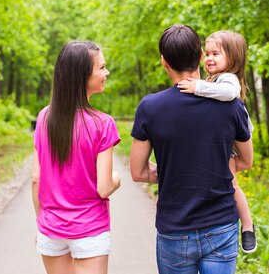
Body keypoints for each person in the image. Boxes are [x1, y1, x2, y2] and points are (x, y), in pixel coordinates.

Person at [130, 25, 253, 274]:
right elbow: (246, 161)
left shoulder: (150, 107)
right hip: (221, 224)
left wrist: (177, 172)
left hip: (175, 228)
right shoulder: (231, 105)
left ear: (164, 62)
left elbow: (139, 173)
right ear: (200, 55)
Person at [32, 41, 121, 274]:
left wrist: (42, 224)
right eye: (101, 68)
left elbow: (36, 177)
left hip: (50, 228)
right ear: (83, 75)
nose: (107, 72)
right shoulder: (103, 124)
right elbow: (104, 187)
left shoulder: (44, 117)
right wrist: (117, 178)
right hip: (89, 229)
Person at [176, 30, 257, 253]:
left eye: (216, 54)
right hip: (221, 142)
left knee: (232, 185)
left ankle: (248, 226)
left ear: (233, 58)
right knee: (228, 184)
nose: (209, 58)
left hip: (231, 144)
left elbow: (230, 93)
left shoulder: (228, 79)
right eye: (207, 53)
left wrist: (196, 87)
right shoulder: (213, 78)